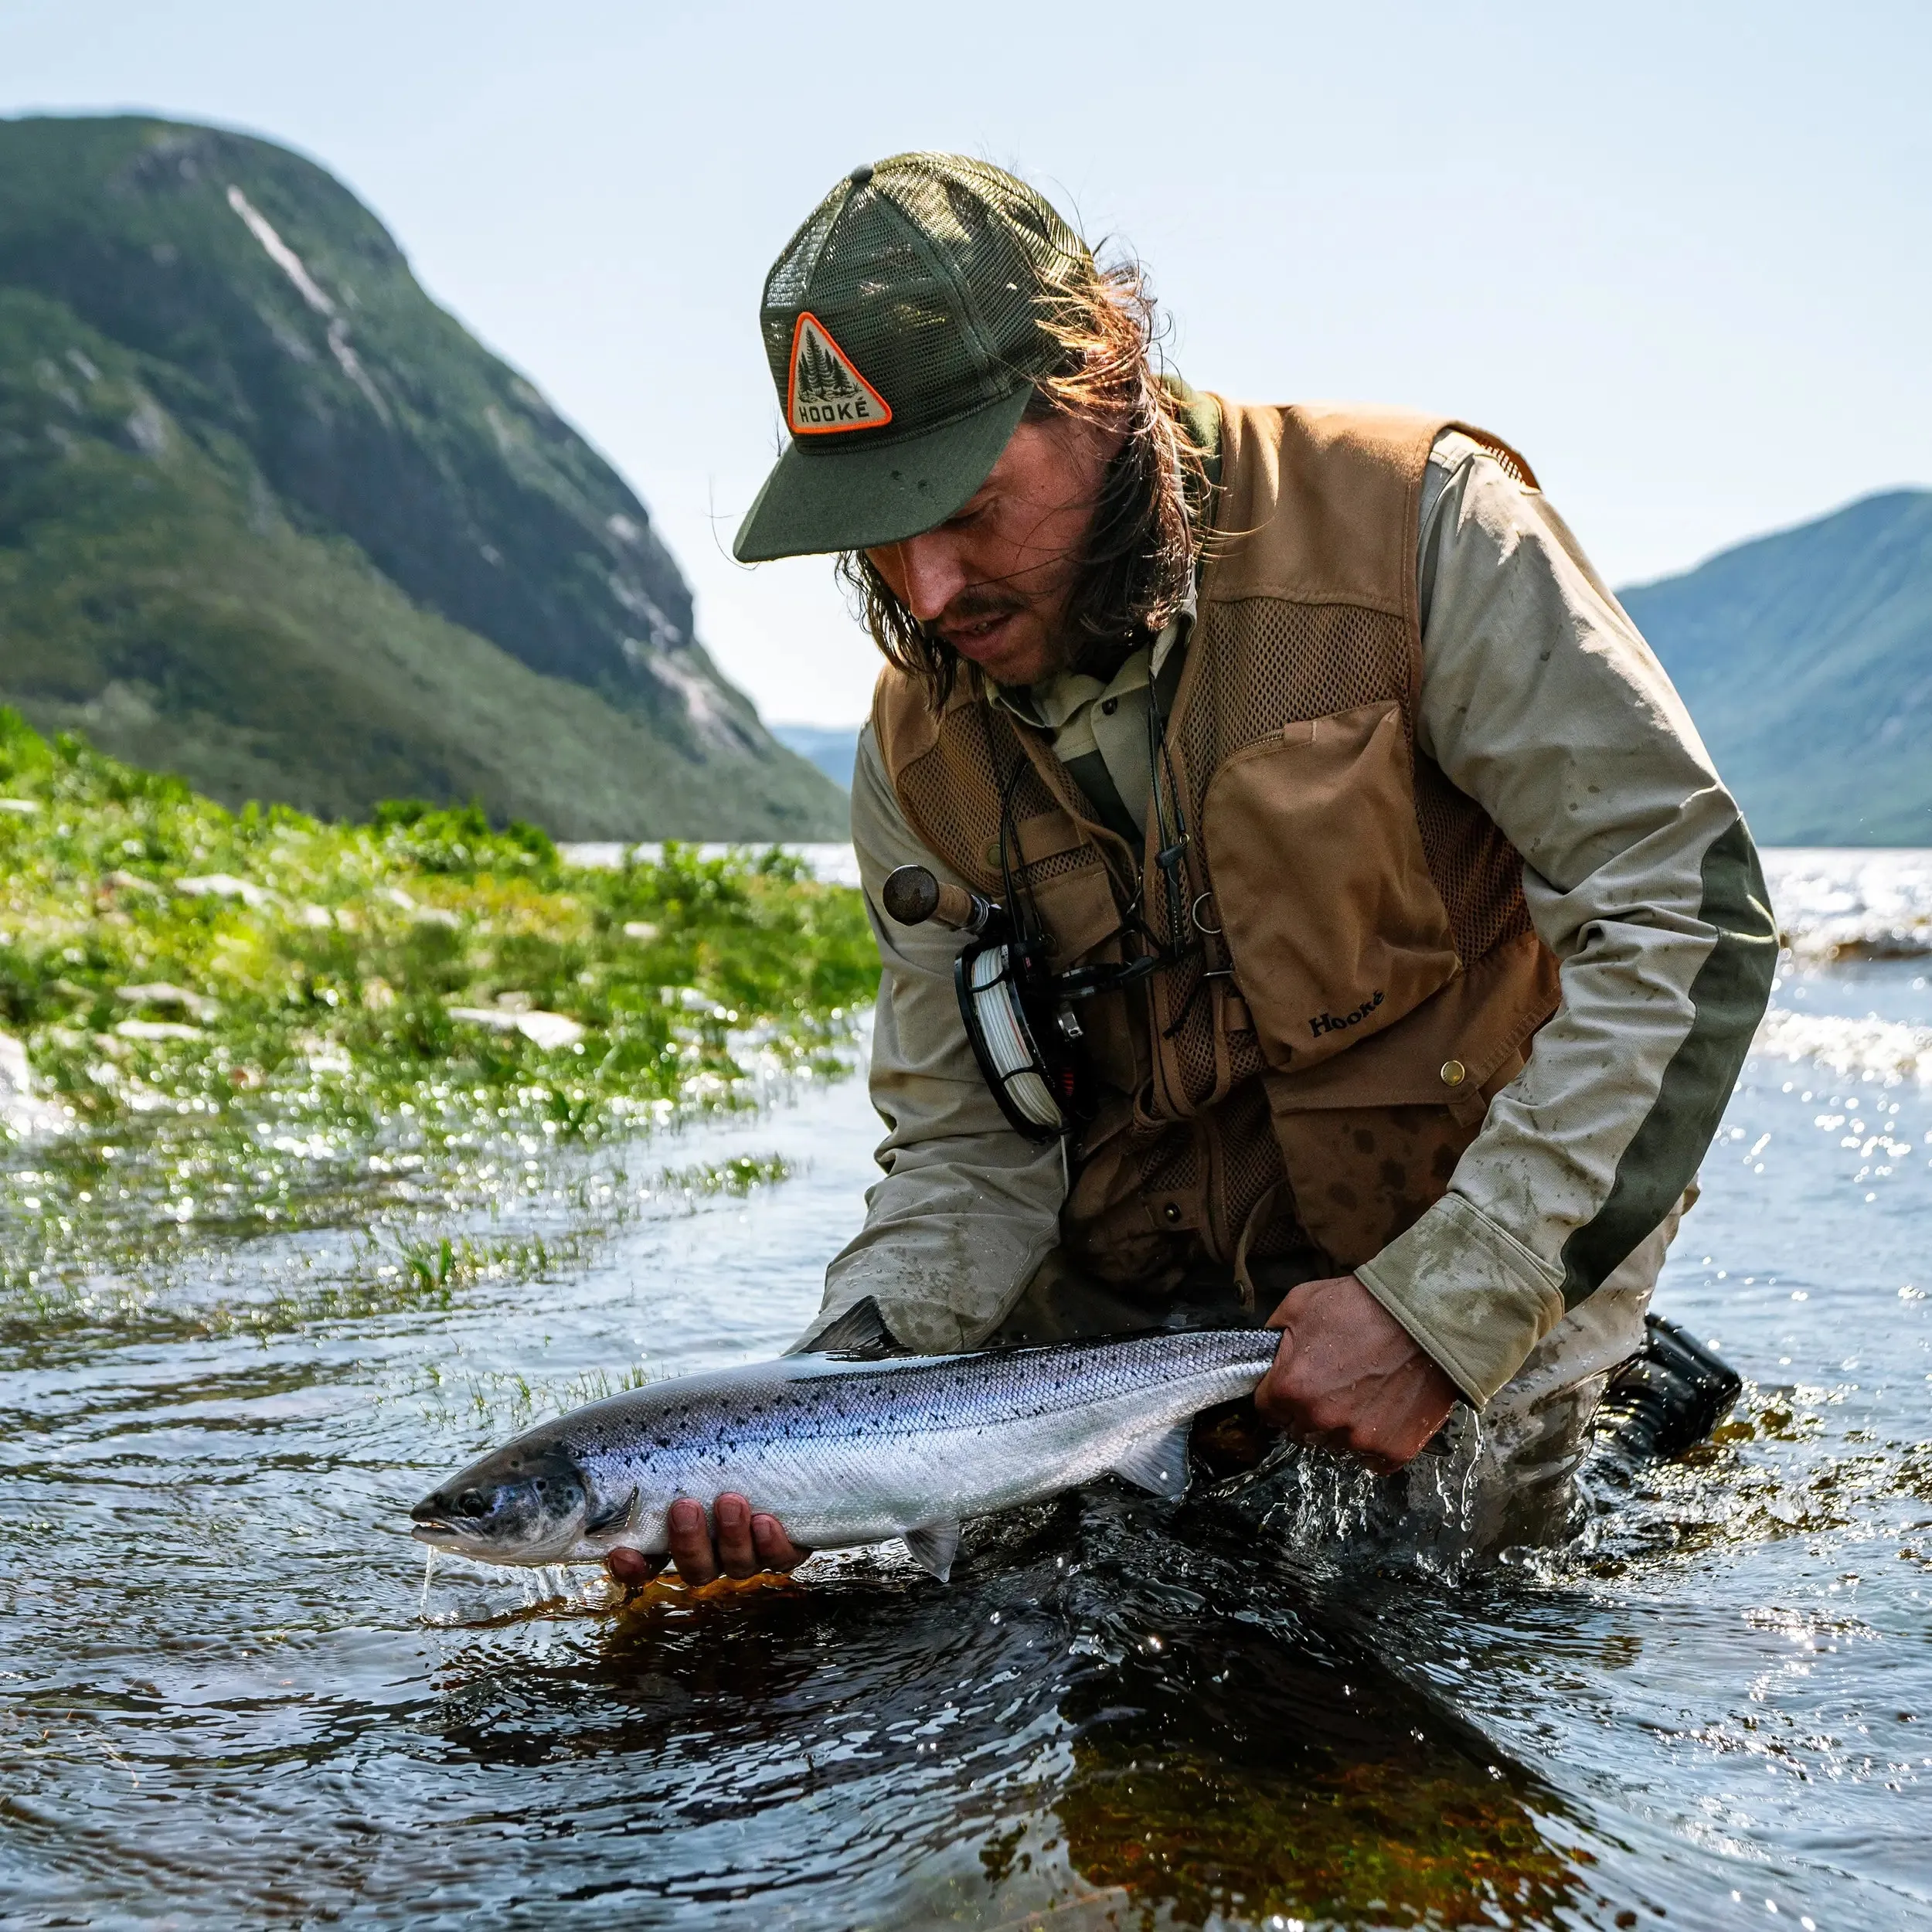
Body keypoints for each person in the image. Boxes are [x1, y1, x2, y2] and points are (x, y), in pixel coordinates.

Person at [606, 153, 1775, 1592]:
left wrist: (1444, 1306)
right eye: (872, 522)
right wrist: (809, 1417)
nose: (924, 589)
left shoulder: (1423, 535)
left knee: (1413, 1658)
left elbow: (1685, 916)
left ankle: (1608, 1378)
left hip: (1464, 1272)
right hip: (1118, 1354)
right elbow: (968, 1157)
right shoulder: (915, 758)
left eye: (964, 503)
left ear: (1103, 384)